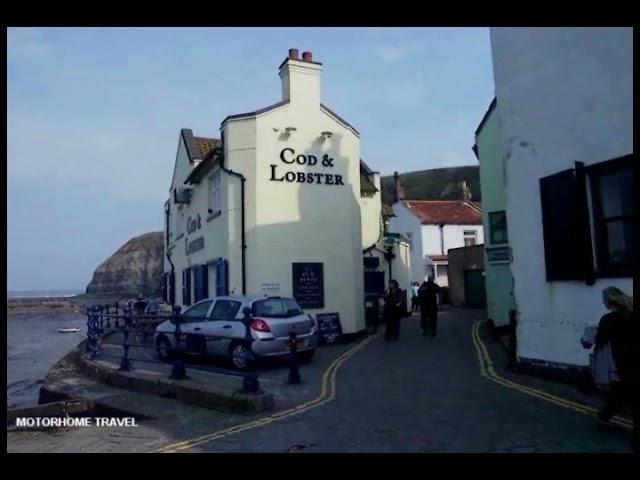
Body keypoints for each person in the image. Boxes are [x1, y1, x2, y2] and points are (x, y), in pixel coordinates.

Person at [593, 287, 636, 432]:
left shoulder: (608, 320)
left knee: (619, 393)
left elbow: (600, 341)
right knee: (621, 394)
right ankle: (603, 417)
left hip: (621, 362)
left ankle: (603, 417)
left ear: (608, 302)